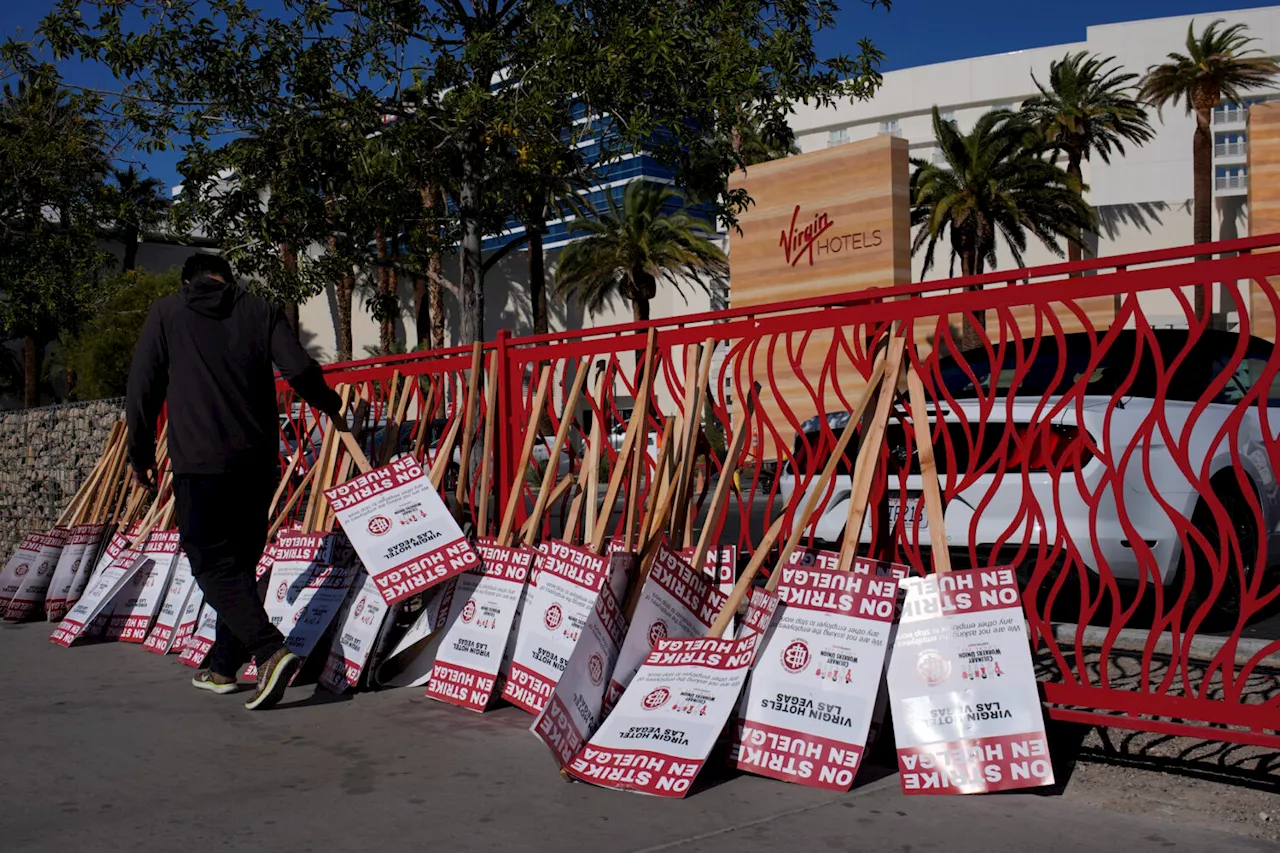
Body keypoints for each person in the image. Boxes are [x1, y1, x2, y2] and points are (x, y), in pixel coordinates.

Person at [127, 253, 346, 710]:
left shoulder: (167, 312)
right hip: (257, 463)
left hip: (200, 462)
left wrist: (141, 453)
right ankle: (224, 666)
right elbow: (300, 370)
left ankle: (269, 651)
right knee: (240, 564)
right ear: (228, 279)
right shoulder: (260, 309)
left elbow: (143, 385)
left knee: (210, 562)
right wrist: (328, 403)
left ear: (188, 280)